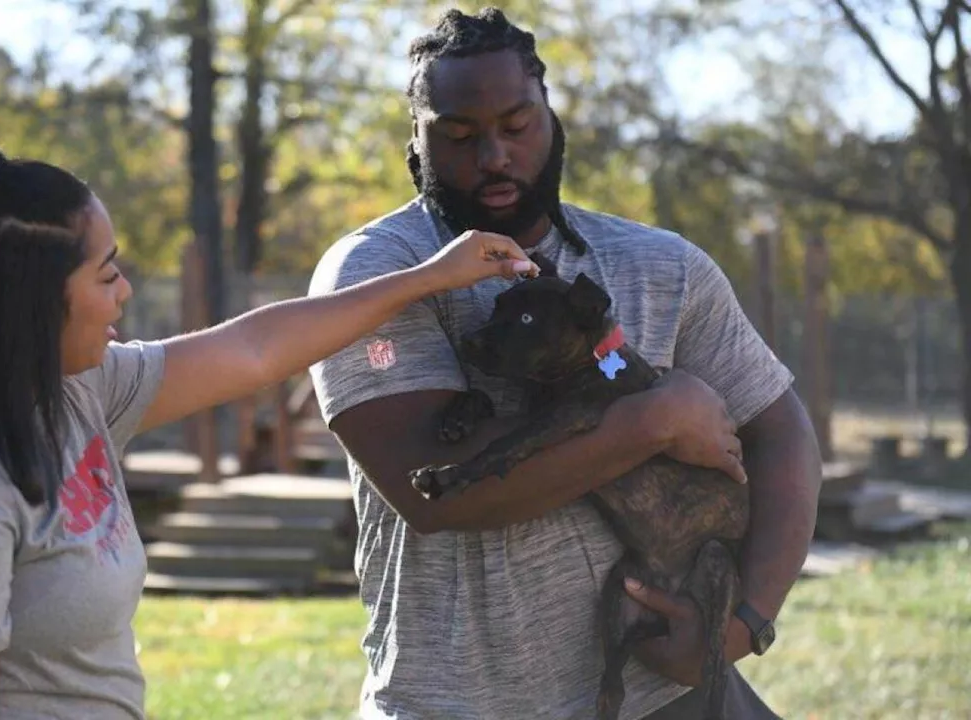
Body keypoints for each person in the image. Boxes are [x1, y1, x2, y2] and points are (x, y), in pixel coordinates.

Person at [0, 134, 539, 720]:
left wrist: (427, 277)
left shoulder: (75, 394)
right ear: (32, 299)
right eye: (107, 275)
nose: (126, 292)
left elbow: (254, 350)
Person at [307, 8, 823, 719]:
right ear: (417, 144)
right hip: (456, 705)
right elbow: (438, 492)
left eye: (517, 126)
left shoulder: (662, 266)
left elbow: (782, 431)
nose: (494, 156)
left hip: (664, 696)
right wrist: (648, 423)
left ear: (551, 117)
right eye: (459, 135)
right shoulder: (380, 275)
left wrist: (745, 622)